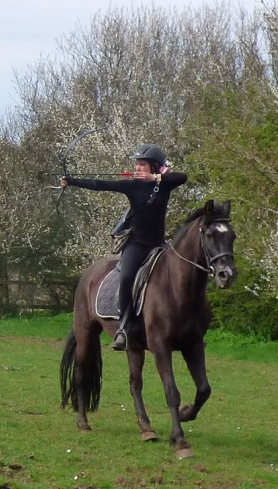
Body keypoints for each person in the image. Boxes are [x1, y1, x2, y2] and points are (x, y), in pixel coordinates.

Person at [60, 143, 189, 351]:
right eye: (137, 165)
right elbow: (99, 184)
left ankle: (184, 327)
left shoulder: (164, 184)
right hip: (137, 244)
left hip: (158, 245)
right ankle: (124, 327)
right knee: (127, 276)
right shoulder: (132, 186)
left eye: (142, 165)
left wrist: (156, 179)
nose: (138, 169)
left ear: (155, 167)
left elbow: (182, 177)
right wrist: (72, 181)